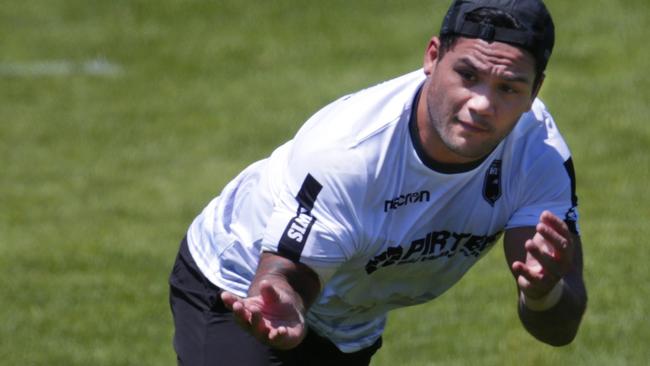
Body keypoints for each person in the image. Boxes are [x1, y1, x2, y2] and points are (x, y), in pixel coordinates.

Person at [169, 0, 588, 364]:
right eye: (468, 75)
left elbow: (559, 326)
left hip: (351, 320)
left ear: (535, 91)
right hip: (240, 288)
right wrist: (283, 302)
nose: (482, 104)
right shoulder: (350, 152)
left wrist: (543, 293)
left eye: (508, 88)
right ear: (432, 56)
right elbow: (287, 276)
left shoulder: (539, 155)